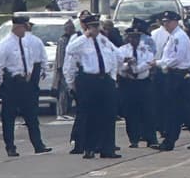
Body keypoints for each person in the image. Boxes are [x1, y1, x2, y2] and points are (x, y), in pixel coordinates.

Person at [0, 16, 52, 157]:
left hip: (25, 83)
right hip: (12, 83)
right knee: (9, 117)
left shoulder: (24, 43)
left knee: (31, 115)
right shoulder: (5, 44)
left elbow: (29, 60)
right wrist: (2, 82)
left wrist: (28, 73)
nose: (26, 30)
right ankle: (10, 146)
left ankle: (38, 145)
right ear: (17, 27)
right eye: (25, 27)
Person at [64, 15, 123, 159]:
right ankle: (89, 148)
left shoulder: (104, 40)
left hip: (105, 79)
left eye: (97, 27)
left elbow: (118, 55)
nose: (96, 30)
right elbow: (70, 50)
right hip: (89, 80)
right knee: (91, 116)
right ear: (87, 28)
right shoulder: (80, 41)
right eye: (93, 27)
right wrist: (86, 36)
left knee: (109, 115)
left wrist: (113, 76)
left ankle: (107, 148)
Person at [154, 10, 190, 150]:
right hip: (174, 75)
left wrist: (158, 63)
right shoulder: (173, 36)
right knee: (176, 110)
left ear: (176, 22)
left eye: (168, 22)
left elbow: (177, 58)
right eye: (164, 22)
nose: (166, 24)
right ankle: (172, 140)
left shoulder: (179, 37)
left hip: (180, 76)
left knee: (179, 109)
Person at [116, 25, 158, 149]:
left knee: (148, 111)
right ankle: (134, 139)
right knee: (130, 112)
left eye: (137, 37)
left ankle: (151, 138)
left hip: (143, 82)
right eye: (132, 37)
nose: (135, 39)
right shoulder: (122, 50)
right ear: (128, 38)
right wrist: (126, 65)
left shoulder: (146, 49)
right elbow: (118, 66)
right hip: (128, 83)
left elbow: (148, 63)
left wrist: (135, 69)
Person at [55, 19, 79, 117]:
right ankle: (62, 112)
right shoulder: (62, 40)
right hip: (64, 69)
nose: (70, 30)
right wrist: (60, 70)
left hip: (73, 68)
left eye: (71, 28)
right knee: (63, 92)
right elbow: (60, 56)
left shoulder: (76, 39)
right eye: (68, 28)